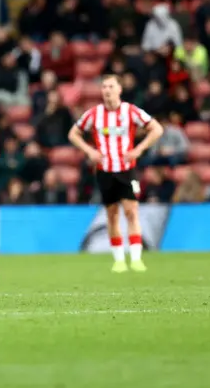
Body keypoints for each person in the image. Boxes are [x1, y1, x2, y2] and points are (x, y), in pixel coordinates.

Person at [68, 75, 163, 273]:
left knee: (131, 211)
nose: (107, 90)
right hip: (105, 171)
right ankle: (119, 259)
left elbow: (156, 129)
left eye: (111, 86)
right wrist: (90, 151)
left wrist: (139, 149)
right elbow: (73, 133)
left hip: (127, 170)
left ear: (119, 89)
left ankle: (136, 258)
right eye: (104, 87)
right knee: (112, 215)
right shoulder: (94, 114)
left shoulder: (130, 111)